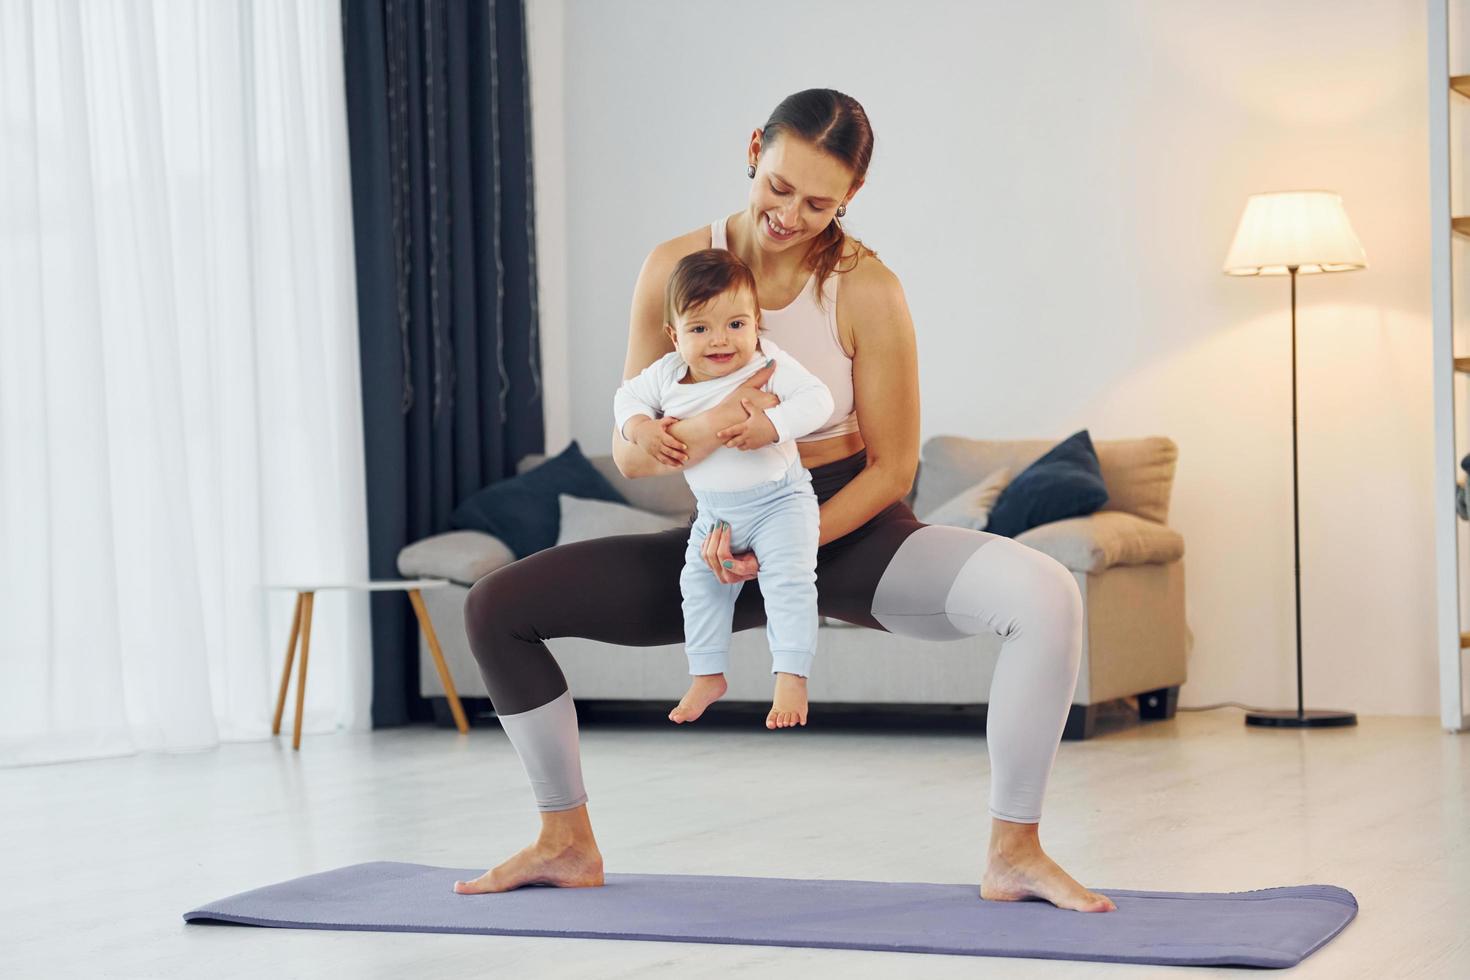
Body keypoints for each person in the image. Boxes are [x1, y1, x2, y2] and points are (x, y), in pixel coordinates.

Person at [454, 89, 1117, 913]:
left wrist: (783, 548)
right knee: (495, 608)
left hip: (851, 528)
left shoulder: (865, 286)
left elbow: (893, 468)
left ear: (850, 200)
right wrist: (669, 441)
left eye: (818, 202)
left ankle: (1016, 853)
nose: (790, 215)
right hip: (725, 535)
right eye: (778, 187)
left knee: (1045, 594)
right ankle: (565, 841)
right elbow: (632, 447)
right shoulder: (675, 267)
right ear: (754, 147)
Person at [615, 248, 834, 729]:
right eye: (700, 329)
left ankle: (792, 674)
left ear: (757, 323)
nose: (720, 340)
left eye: (736, 324)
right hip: (715, 512)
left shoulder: (769, 361)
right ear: (675, 336)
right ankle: (708, 673)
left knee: (789, 580)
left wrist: (773, 425)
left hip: (781, 500)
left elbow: (820, 400)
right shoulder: (667, 375)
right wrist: (639, 428)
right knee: (697, 584)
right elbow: (627, 397)